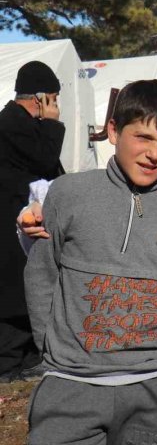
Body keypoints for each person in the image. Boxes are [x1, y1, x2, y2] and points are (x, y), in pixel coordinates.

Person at [23, 79, 157, 444]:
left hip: (153, 385)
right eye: (142, 137)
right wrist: (55, 346)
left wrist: (156, 348)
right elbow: (43, 274)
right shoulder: (68, 194)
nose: (153, 154)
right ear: (113, 130)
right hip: (72, 383)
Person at [0, 61, 65, 383]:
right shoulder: (11, 123)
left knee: (29, 290)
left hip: (23, 221)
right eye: (53, 98)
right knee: (13, 294)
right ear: (41, 97)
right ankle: (8, 365)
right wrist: (53, 124)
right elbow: (44, 160)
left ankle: (26, 358)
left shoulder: (20, 123)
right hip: (10, 220)